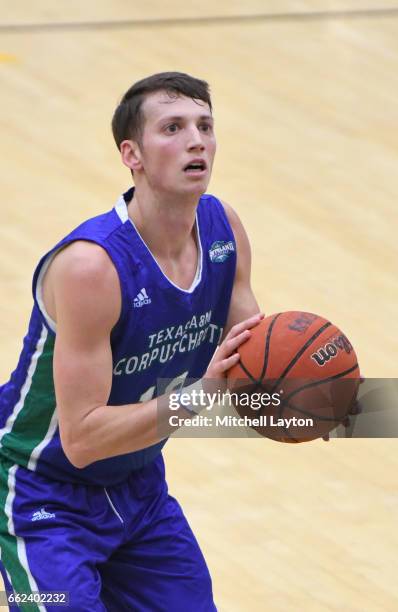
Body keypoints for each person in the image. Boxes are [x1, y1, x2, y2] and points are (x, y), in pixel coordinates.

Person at [0, 72, 262, 611]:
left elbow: (255, 358)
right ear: (132, 155)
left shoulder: (224, 230)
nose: (196, 140)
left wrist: (313, 401)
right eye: (173, 127)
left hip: (138, 488)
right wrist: (199, 396)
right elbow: (82, 439)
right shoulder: (91, 266)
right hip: (38, 493)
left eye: (205, 126)